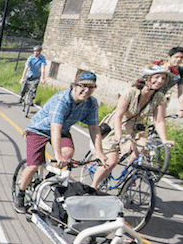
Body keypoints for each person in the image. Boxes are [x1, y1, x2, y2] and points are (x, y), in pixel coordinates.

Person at [14, 72, 103, 213]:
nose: (87, 90)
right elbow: (55, 128)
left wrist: (99, 152)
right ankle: (20, 193)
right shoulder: (62, 100)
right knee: (33, 165)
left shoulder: (91, 103)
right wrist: (57, 154)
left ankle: (49, 179)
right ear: (74, 86)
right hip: (39, 130)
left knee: (68, 152)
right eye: (84, 86)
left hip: (62, 130)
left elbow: (94, 128)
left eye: (91, 88)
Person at [91, 65, 174, 189]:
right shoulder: (130, 93)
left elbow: (159, 121)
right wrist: (119, 135)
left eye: (163, 78)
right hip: (118, 126)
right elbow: (118, 115)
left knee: (142, 148)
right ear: (146, 78)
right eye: (157, 77)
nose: (160, 81)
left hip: (138, 129)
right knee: (111, 162)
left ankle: (129, 176)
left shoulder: (159, 98)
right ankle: (93, 186)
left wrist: (164, 140)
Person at [153, 46, 183, 118]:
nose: (179, 59)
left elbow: (182, 91)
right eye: (176, 57)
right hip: (146, 97)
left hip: (160, 99)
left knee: (157, 123)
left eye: (181, 57)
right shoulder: (159, 67)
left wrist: (182, 109)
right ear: (169, 57)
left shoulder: (181, 72)